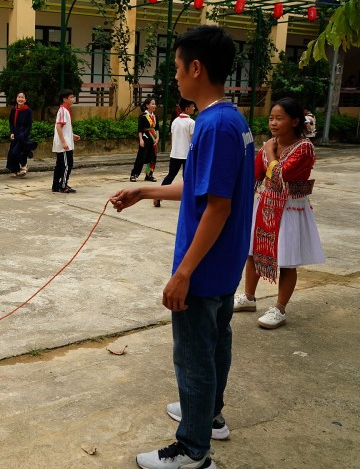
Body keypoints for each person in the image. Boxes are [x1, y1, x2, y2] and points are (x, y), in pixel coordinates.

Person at [110, 25, 254, 469]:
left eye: (176, 67)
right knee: (216, 343)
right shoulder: (232, 119)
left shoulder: (213, 125)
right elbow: (201, 188)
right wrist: (145, 192)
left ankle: (193, 451)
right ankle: (209, 417)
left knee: (193, 357)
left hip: (204, 268)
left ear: (196, 68)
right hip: (225, 265)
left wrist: (183, 272)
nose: (174, 77)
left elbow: (218, 208)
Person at [233, 98, 325, 329]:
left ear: (294, 121)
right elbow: (255, 174)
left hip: (290, 209)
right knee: (253, 253)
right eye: (271, 118)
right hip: (265, 205)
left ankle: (280, 308)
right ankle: (249, 297)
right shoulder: (270, 145)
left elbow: (279, 175)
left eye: (279, 118)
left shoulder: (303, 148)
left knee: (287, 260)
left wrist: (270, 153)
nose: (273, 123)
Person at [154, 98, 196, 207]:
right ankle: (188, 200)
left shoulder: (175, 121)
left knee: (170, 176)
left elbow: (173, 138)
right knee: (187, 178)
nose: (194, 108)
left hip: (175, 154)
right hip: (187, 155)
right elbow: (193, 140)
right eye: (192, 106)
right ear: (187, 108)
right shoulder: (191, 122)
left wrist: (175, 149)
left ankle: (158, 195)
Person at [51, 89, 80, 193]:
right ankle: (63, 186)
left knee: (60, 165)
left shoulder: (65, 110)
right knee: (67, 165)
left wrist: (72, 135)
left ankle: (56, 186)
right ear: (65, 99)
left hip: (65, 142)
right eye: (71, 97)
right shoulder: (63, 110)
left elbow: (63, 128)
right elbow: (59, 127)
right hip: (64, 145)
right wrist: (63, 142)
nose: (73, 99)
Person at [6, 92, 37, 178]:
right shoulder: (13, 110)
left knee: (17, 152)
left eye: (22, 97)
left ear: (25, 100)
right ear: (16, 99)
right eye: (19, 97)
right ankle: (16, 170)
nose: (20, 99)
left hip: (23, 134)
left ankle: (24, 165)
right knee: (12, 153)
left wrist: (23, 134)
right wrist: (12, 132)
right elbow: (11, 122)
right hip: (15, 133)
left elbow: (29, 125)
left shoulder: (28, 111)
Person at [129, 97, 158, 182]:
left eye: (154, 104)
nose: (154, 105)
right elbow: (140, 129)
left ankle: (149, 174)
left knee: (153, 157)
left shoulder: (155, 116)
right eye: (152, 104)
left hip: (153, 138)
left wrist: (157, 138)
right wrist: (141, 139)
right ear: (147, 105)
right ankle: (134, 174)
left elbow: (157, 129)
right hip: (145, 138)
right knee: (141, 157)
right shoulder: (143, 116)